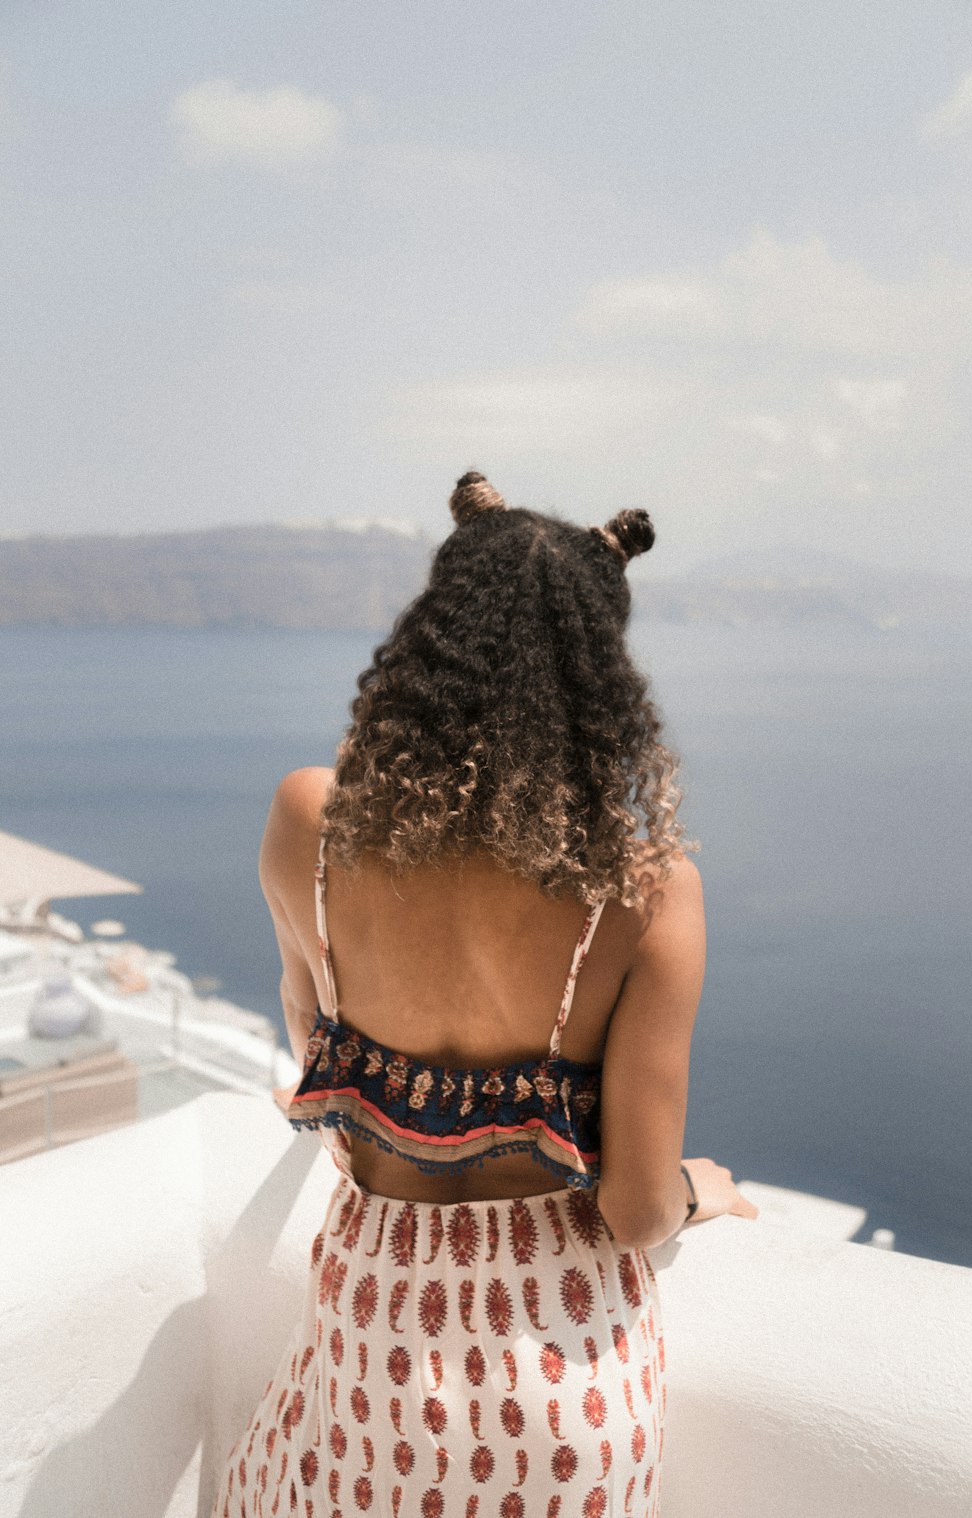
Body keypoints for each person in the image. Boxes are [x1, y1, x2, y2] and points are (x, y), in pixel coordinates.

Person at [211, 472, 756, 1518]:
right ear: (600, 685)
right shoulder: (641, 895)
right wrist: (701, 1188)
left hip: (369, 1356)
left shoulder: (309, 822)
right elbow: (638, 1211)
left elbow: (310, 1035)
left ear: (430, 644)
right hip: (563, 1401)